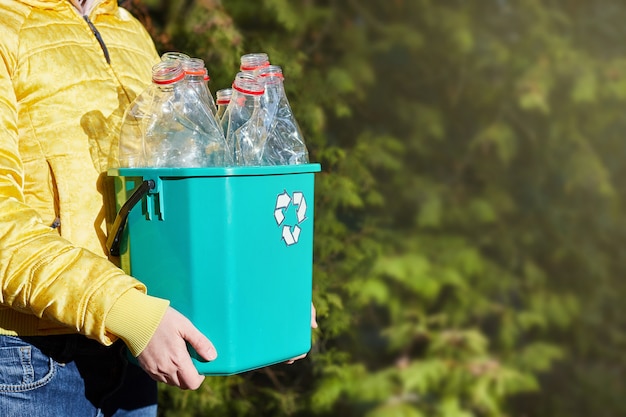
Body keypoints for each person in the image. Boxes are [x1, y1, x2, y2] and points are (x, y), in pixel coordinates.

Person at [0, 0, 316, 415]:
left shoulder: (128, 30)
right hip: (32, 362)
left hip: (134, 348)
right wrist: (125, 310)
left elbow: (170, 208)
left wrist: (263, 281)